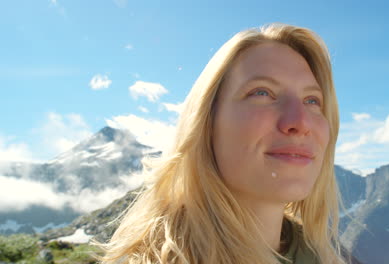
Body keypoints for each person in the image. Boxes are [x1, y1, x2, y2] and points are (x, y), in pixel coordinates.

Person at [100, 23, 353, 264]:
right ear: (206, 123)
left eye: (312, 100)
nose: (300, 121)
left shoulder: (320, 256)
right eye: (262, 92)